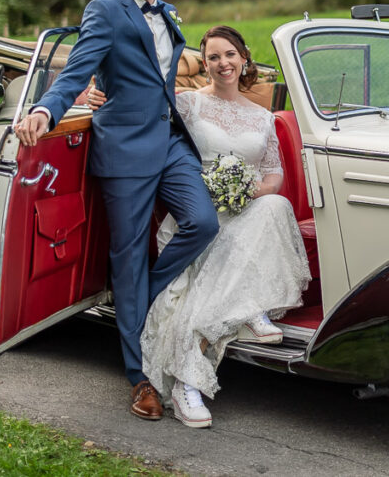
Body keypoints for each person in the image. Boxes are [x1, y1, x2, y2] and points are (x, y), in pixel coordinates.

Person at [13, 0, 218, 422]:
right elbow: (77, 68)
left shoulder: (166, 11)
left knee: (203, 222)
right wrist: (46, 110)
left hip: (170, 142)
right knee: (126, 258)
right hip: (125, 150)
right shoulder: (105, 10)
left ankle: (140, 295)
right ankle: (138, 377)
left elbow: (165, 71)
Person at [89, 25, 310, 429]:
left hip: (241, 207)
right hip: (197, 212)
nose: (222, 63)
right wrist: (97, 94)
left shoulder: (262, 118)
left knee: (275, 204)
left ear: (245, 59)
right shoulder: (188, 104)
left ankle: (251, 310)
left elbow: (274, 175)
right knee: (210, 259)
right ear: (205, 64)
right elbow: (138, 105)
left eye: (229, 55)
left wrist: (243, 190)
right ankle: (187, 381)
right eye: (213, 57)